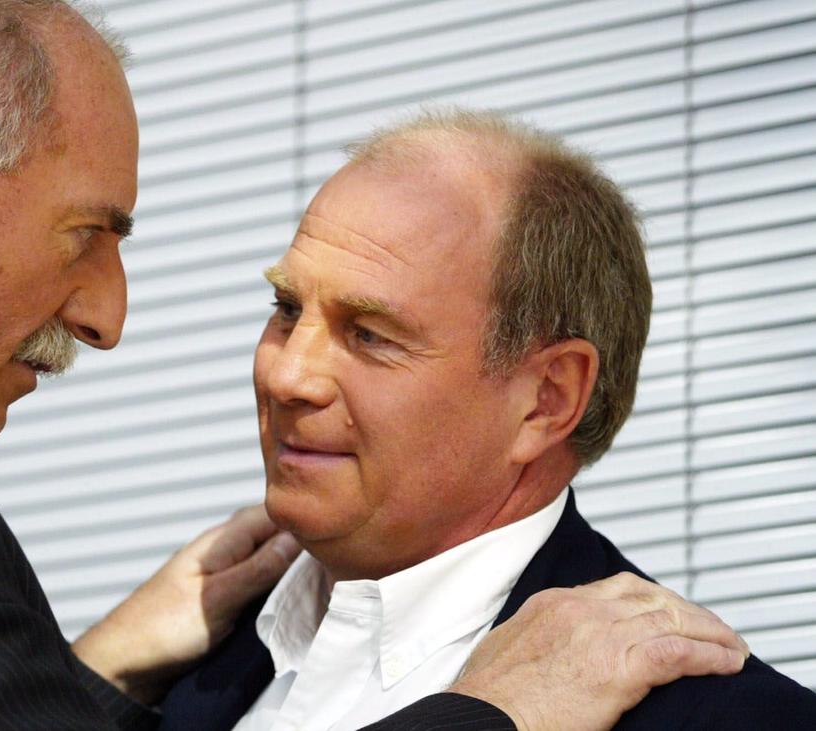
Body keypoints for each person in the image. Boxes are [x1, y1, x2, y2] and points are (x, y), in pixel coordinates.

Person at [0, 3, 749, 730]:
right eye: (85, 233)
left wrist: (93, 667)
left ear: (548, 395)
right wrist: (491, 714)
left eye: (370, 332)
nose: (108, 316)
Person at [159, 110, 816, 730]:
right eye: (286, 308)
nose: (287, 376)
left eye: (369, 334)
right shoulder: (171, 662)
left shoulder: (735, 717)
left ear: (547, 399)